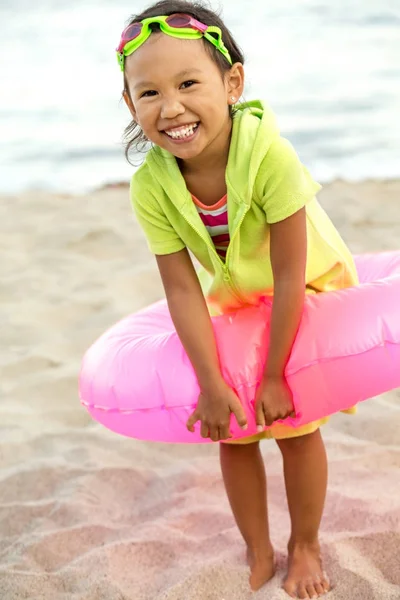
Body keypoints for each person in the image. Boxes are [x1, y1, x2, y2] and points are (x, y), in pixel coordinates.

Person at [117, 1, 358, 597]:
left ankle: (305, 544)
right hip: (236, 297)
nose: (170, 107)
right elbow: (179, 285)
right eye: (148, 93)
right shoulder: (151, 184)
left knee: (294, 423)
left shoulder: (270, 155)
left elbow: (288, 266)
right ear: (130, 105)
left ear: (232, 83)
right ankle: (257, 548)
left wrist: (274, 372)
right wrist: (210, 382)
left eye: (188, 83)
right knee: (232, 430)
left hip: (305, 288)